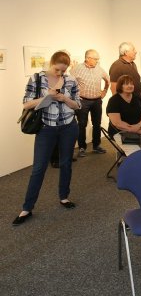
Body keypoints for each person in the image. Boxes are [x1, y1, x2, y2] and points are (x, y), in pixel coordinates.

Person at [12, 51, 81, 226]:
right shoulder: (36, 79)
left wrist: (64, 98)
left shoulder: (71, 80)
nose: (60, 73)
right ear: (51, 63)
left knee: (66, 163)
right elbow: (26, 103)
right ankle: (27, 208)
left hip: (68, 126)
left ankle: (64, 197)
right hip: (45, 128)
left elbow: (77, 105)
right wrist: (47, 96)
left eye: (63, 71)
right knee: (39, 168)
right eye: (57, 69)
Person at [70, 49, 109, 157]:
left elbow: (107, 79)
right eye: (95, 59)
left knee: (97, 124)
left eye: (98, 59)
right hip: (83, 100)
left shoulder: (99, 68)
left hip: (97, 101)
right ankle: (82, 147)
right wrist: (74, 96)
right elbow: (69, 82)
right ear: (88, 58)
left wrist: (105, 90)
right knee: (82, 124)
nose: (97, 61)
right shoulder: (77, 69)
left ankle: (96, 145)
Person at [106, 74, 141, 156]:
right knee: (136, 153)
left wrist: (138, 126)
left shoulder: (139, 98)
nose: (130, 86)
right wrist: (135, 130)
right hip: (120, 131)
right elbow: (117, 123)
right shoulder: (113, 100)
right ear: (120, 86)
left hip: (140, 128)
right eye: (126, 84)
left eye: (131, 84)